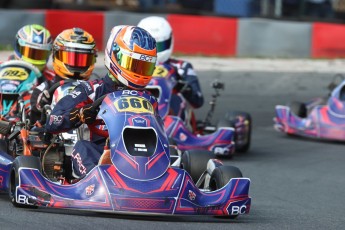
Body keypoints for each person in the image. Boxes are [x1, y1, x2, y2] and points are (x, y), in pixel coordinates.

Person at [44, 25, 157, 178]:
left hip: (141, 156)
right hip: (100, 154)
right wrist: (80, 115)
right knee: (83, 147)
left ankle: (157, 180)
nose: (139, 72)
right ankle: (97, 183)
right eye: (134, 65)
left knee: (171, 148)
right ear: (115, 55)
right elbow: (52, 122)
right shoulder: (91, 90)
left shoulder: (149, 99)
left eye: (145, 67)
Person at [137, 16, 204, 117]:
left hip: (173, 117)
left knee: (176, 98)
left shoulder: (182, 67)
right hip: (138, 112)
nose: (155, 51)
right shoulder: (133, 67)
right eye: (150, 47)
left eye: (159, 46)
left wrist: (183, 87)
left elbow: (198, 101)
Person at [30, 27, 97, 125]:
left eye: (82, 59)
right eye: (71, 58)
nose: (76, 65)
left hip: (88, 134)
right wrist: (42, 106)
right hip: (53, 137)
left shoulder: (95, 87)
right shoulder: (44, 90)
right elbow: (33, 123)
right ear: (55, 55)